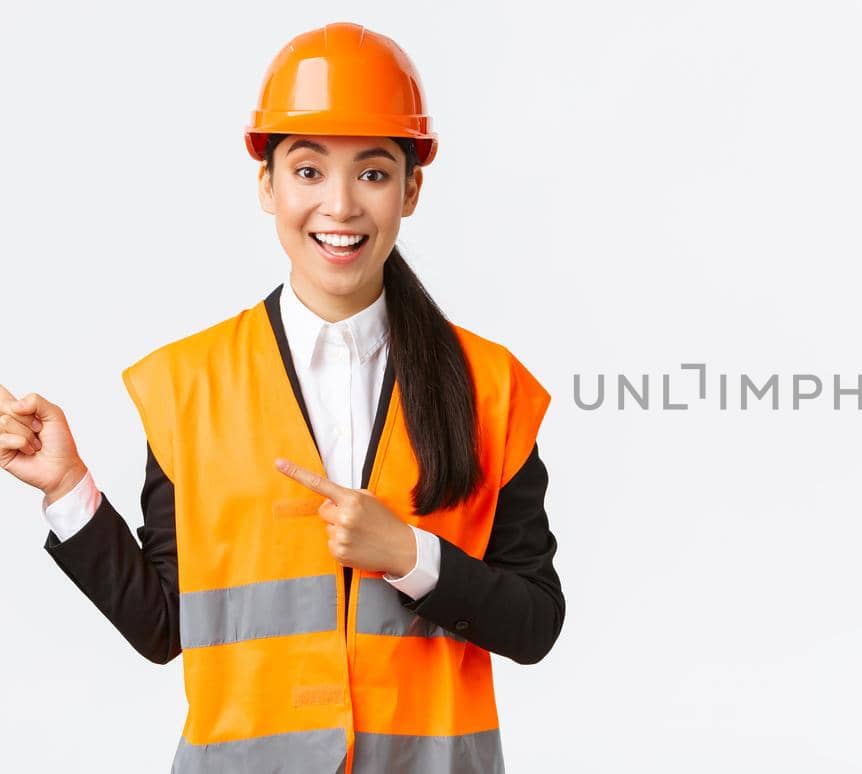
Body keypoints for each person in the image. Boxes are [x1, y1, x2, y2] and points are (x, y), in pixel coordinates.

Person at [0, 22, 564, 774]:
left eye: (371, 173)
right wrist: (69, 490)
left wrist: (410, 556)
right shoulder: (186, 388)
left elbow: (534, 624)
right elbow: (167, 627)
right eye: (307, 171)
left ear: (411, 189)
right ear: (266, 185)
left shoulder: (490, 388)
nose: (339, 206)